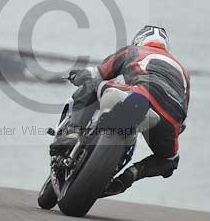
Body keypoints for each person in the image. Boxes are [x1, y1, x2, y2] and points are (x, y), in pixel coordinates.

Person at [50, 25, 190, 196]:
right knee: (169, 161)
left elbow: (98, 73)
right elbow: (183, 115)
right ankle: (129, 177)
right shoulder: (183, 71)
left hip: (140, 97)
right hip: (169, 118)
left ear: (139, 39)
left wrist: (78, 76)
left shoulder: (134, 51)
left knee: (92, 86)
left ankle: (70, 134)